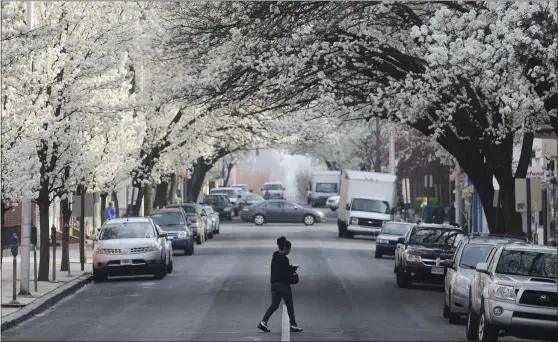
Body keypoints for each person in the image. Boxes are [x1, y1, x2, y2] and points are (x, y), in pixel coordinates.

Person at [258, 236, 303, 333]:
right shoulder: (284, 259)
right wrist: (293, 269)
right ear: (286, 249)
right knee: (289, 305)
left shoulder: (275, 256)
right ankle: (293, 325)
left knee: (274, 305)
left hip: (274, 284)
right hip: (283, 285)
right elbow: (285, 274)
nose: (289, 251)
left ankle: (263, 322)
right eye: (289, 249)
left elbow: (279, 270)